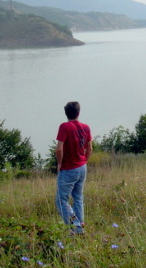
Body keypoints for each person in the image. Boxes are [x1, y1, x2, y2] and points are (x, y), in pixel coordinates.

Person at [55, 101, 93, 235]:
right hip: (82, 167)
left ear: (66, 113)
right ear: (78, 113)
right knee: (78, 198)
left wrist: (59, 164)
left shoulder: (65, 127)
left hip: (68, 169)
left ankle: (76, 227)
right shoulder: (86, 127)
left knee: (61, 200)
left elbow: (59, 149)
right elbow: (89, 148)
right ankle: (80, 229)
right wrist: (84, 161)